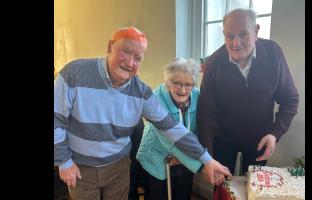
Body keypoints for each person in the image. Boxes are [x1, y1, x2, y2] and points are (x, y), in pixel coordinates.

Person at [54, 26, 231, 200]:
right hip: (80, 166)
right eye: (125, 51)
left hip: (118, 167)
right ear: (110, 47)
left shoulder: (141, 93)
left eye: (137, 58)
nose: (130, 63)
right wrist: (64, 162)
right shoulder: (74, 73)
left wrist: (207, 160)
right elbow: (56, 120)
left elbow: (171, 128)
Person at [197, 8, 299, 175]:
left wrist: (274, 134)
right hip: (223, 139)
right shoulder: (214, 62)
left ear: (256, 31)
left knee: (254, 189)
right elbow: (205, 112)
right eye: (230, 36)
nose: (235, 43)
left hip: (260, 140)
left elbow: (290, 99)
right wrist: (208, 156)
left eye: (243, 34)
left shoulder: (273, 53)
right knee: (223, 188)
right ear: (224, 34)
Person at [137, 57, 202, 200]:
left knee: (182, 195)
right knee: (158, 196)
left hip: (186, 155)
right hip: (156, 155)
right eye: (177, 84)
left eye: (188, 84)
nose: (183, 90)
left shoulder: (198, 95)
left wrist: (186, 156)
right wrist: (191, 159)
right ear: (167, 83)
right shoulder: (155, 98)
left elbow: (201, 128)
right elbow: (165, 135)